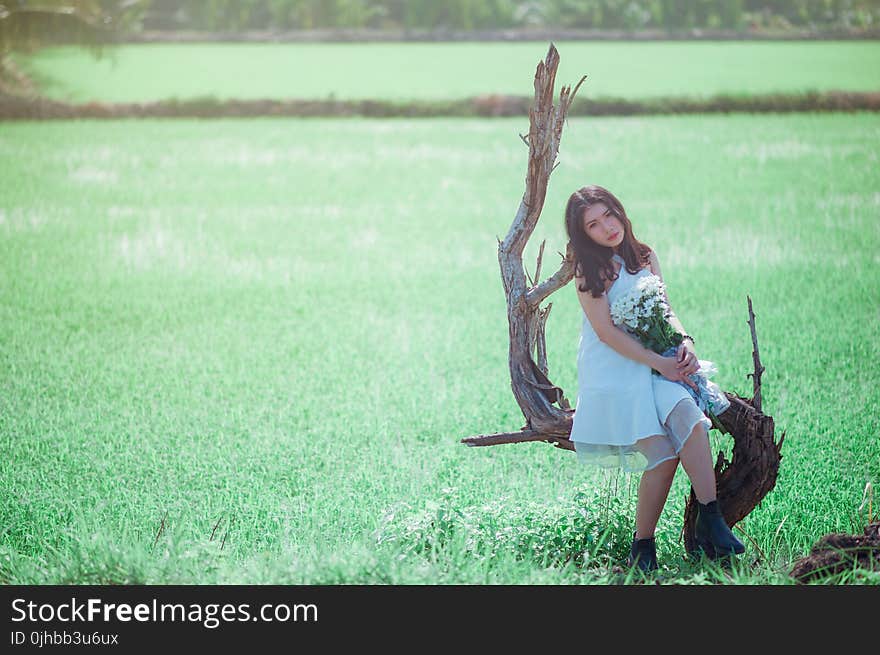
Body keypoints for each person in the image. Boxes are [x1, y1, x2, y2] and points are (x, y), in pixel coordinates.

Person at [564, 185, 744, 572]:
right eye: (593, 225)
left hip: (654, 365)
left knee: (692, 419)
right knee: (662, 455)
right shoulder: (589, 271)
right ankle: (642, 548)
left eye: (608, 215)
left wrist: (685, 342)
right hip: (613, 370)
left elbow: (666, 310)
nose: (606, 227)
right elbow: (606, 334)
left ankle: (711, 519)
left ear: (619, 211)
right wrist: (659, 364)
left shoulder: (644, 256)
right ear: (585, 235)